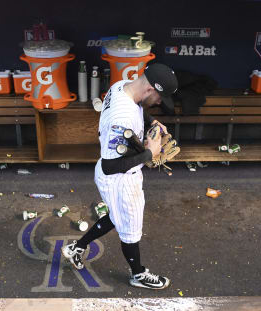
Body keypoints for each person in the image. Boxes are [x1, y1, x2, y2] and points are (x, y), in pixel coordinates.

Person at [62, 63, 178, 290]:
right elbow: (110, 166)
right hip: (120, 180)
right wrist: (149, 154)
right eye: (159, 98)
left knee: (116, 217)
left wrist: (152, 121)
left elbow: (138, 106)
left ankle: (76, 248)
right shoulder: (122, 118)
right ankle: (138, 274)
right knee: (130, 230)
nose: (159, 103)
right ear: (149, 90)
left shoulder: (121, 86)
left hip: (116, 175)